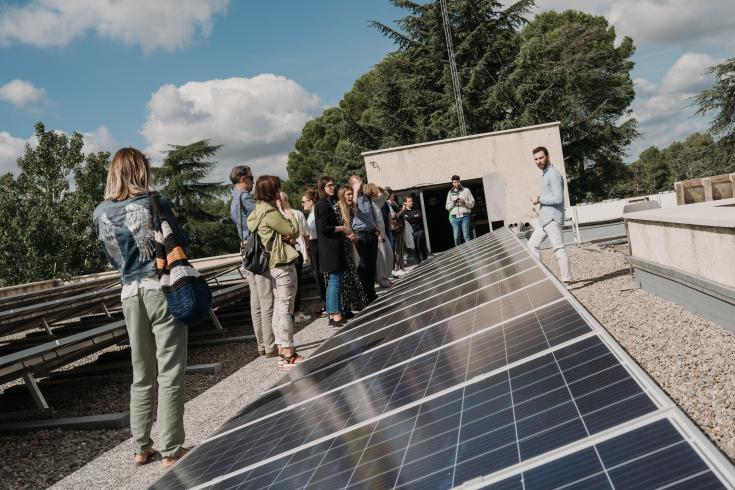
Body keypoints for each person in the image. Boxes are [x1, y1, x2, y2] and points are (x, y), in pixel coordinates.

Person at [93, 148, 189, 468]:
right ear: (140, 171)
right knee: (170, 370)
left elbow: (113, 258)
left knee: (141, 373)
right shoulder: (154, 202)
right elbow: (180, 242)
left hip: (129, 295)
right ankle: (172, 448)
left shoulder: (99, 213)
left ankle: (140, 447)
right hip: (160, 288)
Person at [247, 176, 302, 369]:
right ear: (272, 191)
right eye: (278, 188)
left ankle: (281, 349)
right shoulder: (271, 212)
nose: (280, 192)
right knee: (286, 308)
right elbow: (294, 230)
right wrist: (286, 208)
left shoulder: (257, 212)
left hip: (272, 265)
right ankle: (289, 352)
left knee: (279, 307)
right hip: (283, 263)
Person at [229, 165, 276, 358]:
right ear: (242, 179)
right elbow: (263, 217)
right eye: (250, 178)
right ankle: (271, 344)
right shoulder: (246, 198)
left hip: (245, 252)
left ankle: (261, 344)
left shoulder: (232, 200)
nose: (253, 181)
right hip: (257, 251)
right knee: (266, 301)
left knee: (255, 303)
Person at [527, 146, 573, 285]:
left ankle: (567, 280)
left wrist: (539, 199)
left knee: (558, 248)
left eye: (541, 158)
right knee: (531, 244)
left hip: (552, 218)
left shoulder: (553, 174)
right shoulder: (545, 174)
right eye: (536, 159)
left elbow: (558, 198)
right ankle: (543, 276)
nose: (538, 161)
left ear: (548, 156)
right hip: (544, 219)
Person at [314, 176, 353, 327]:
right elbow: (324, 228)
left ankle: (333, 314)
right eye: (329, 185)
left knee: (335, 282)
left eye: (333, 185)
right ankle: (335, 315)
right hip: (329, 249)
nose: (332, 187)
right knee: (335, 282)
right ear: (322, 188)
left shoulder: (327, 203)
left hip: (333, 248)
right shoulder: (322, 205)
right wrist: (342, 228)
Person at [279, 191, 311, 324]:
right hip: (295, 251)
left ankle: (292, 313)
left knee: (289, 285)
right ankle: (294, 312)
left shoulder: (293, 214)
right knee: (294, 284)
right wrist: (306, 249)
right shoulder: (296, 213)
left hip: (290, 252)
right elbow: (306, 233)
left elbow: (305, 233)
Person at [337, 186, 369, 316]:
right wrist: (347, 235)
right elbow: (336, 229)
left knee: (352, 275)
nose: (350, 197)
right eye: (348, 194)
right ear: (342, 196)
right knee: (346, 279)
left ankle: (355, 305)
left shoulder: (349, 209)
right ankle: (345, 309)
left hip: (349, 244)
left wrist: (353, 235)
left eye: (351, 194)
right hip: (340, 247)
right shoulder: (337, 208)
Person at [348, 175, 379, 304]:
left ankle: (371, 292)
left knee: (372, 264)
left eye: (361, 181)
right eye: (357, 182)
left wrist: (377, 230)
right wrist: (355, 191)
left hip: (372, 233)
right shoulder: (351, 199)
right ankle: (365, 294)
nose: (360, 184)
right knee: (364, 264)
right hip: (361, 234)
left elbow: (381, 196)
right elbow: (352, 211)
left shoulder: (366, 197)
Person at [301, 189, 327, 316]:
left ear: (311, 202)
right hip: (313, 244)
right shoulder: (310, 214)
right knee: (318, 274)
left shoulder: (315, 213)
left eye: (304, 201)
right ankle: (325, 301)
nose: (302, 204)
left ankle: (327, 302)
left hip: (317, 244)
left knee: (320, 274)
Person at [364, 183, 393, 288]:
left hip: (383, 231)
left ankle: (386, 277)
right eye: (375, 189)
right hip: (378, 233)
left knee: (389, 254)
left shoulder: (375, 202)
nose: (377, 191)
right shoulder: (368, 203)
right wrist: (378, 234)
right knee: (382, 258)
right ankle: (383, 281)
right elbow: (372, 221)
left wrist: (382, 189)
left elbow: (386, 195)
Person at [397, 194, 428, 264]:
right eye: (409, 201)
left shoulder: (416, 208)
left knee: (421, 244)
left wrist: (411, 217)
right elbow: (406, 218)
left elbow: (419, 216)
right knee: (414, 248)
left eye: (411, 201)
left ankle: (425, 259)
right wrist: (414, 216)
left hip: (418, 230)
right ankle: (418, 262)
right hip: (410, 232)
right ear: (405, 203)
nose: (411, 202)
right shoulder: (403, 211)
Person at [445, 174, 475, 246]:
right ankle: (460, 255)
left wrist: (464, 201)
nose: (456, 184)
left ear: (460, 181)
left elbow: (472, 204)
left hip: (465, 216)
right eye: (455, 182)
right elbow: (447, 207)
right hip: (455, 218)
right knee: (456, 238)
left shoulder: (466, 190)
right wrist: (453, 203)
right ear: (452, 183)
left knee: (466, 236)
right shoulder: (450, 193)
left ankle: (470, 253)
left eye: (457, 182)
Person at [387, 192, 406, 275]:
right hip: (394, 228)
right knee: (395, 249)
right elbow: (394, 216)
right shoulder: (388, 204)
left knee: (399, 248)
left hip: (399, 227)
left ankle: (400, 267)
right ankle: (396, 268)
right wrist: (403, 209)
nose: (393, 196)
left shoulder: (393, 203)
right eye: (392, 194)